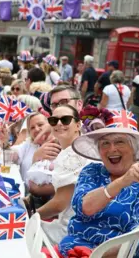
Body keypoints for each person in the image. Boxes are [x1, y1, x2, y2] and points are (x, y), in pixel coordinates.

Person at [58, 111, 139, 257]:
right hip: (76, 248)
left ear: (134, 149)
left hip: (122, 254)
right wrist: (121, 182)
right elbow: (83, 208)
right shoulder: (92, 171)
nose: (112, 149)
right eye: (105, 143)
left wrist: (98, 254)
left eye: (120, 141)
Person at [36, 105, 89, 245]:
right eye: (54, 120)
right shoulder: (81, 148)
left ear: (78, 125)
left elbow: (59, 204)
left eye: (65, 120)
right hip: (82, 225)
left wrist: (31, 216)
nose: (59, 124)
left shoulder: (72, 155)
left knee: (20, 231)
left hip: (72, 231)